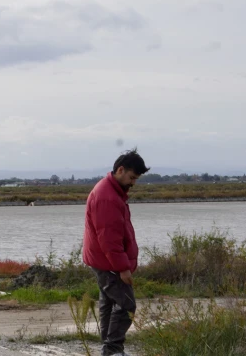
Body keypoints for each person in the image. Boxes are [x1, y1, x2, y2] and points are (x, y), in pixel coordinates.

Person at [83, 148, 149, 356]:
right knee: (127, 305)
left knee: (109, 304)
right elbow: (109, 239)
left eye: (136, 179)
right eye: (132, 177)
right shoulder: (107, 197)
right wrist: (123, 268)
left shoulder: (112, 192)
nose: (133, 183)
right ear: (120, 170)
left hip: (104, 261)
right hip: (109, 263)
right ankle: (112, 350)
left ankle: (110, 349)